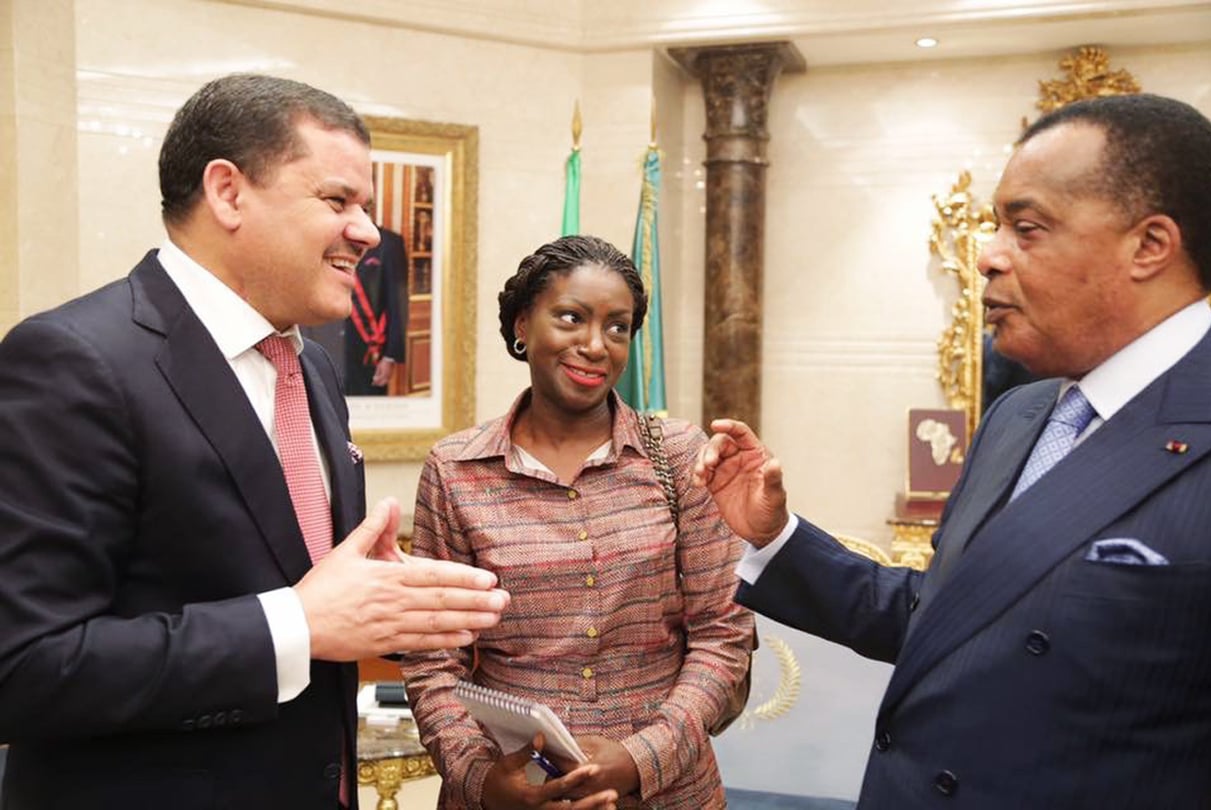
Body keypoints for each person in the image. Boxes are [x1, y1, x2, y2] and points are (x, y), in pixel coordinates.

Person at [0, 74, 511, 810]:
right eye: (338, 201)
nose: (368, 232)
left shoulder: (311, 367)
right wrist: (298, 623)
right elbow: (23, 666)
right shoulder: (74, 360)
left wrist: (384, 603)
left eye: (365, 207)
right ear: (228, 193)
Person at [693, 93, 1211, 808]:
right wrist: (773, 536)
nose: (986, 255)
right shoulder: (1019, 415)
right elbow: (944, 616)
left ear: (1148, 245)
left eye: (1025, 228)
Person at [401, 235, 755, 810]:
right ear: (522, 325)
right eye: (571, 318)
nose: (597, 345)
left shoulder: (682, 454)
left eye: (618, 328)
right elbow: (431, 655)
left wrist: (642, 757)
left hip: (665, 793)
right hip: (511, 792)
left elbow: (723, 632)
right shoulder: (457, 469)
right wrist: (481, 779)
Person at [305, 224, 408, 396]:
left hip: (368, 352)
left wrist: (391, 355)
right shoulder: (317, 238)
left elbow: (397, 303)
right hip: (322, 346)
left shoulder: (389, 243)